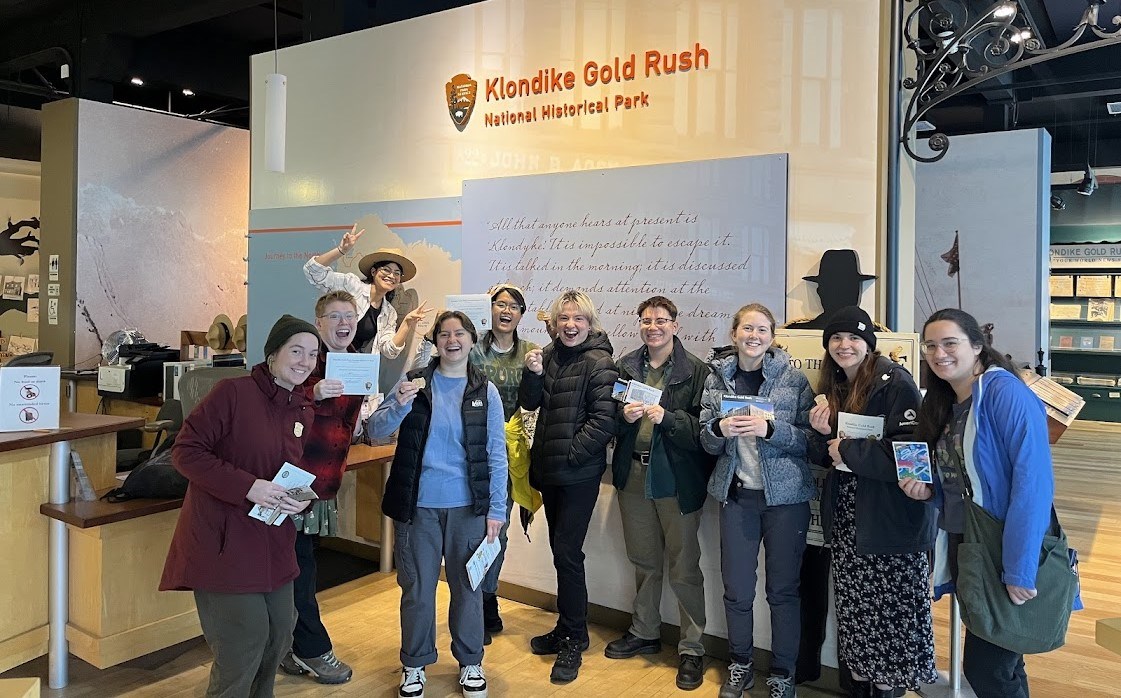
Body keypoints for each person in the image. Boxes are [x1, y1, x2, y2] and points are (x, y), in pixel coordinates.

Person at [160, 315, 319, 698]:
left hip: (273, 541)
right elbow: (185, 452)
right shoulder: (233, 394)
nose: (304, 361)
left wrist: (298, 501)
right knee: (243, 641)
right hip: (223, 540)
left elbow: (284, 471)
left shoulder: (303, 411)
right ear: (272, 353)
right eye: (295, 351)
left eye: (312, 355)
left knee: (280, 634)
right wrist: (249, 487)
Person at [909, 308, 1055, 698]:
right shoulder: (949, 402)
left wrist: (1020, 567)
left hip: (999, 545)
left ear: (977, 346)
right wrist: (931, 491)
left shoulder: (1004, 394)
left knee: (986, 667)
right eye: (931, 345)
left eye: (950, 343)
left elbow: (1033, 484)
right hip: (966, 541)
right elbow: (963, 478)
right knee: (1001, 657)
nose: (939, 353)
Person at [368, 310, 509, 698]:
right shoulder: (414, 384)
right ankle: (414, 664)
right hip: (418, 508)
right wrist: (396, 403)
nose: (452, 340)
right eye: (444, 333)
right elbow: (375, 432)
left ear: (471, 339)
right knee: (417, 589)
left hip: (469, 509)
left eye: (459, 333)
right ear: (435, 341)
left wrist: (497, 510)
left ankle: (470, 661)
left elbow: (497, 453)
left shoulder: (486, 391)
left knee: (469, 588)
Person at [807, 306, 936, 697]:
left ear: (868, 344)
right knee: (858, 615)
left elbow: (912, 455)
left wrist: (847, 449)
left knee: (893, 619)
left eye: (853, 338)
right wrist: (821, 435)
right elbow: (827, 456)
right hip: (850, 520)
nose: (844, 345)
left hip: (891, 523)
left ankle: (888, 689)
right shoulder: (835, 387)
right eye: (836, 339)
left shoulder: (896, 383)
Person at [700, 303, 814, 698]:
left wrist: (771, 429)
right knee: (737, 589)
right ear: (734, 334)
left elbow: (810, 443)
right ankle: (740, 665)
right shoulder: (717, 379)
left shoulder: (794, 379)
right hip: (737, 498)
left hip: (786, 501)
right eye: (747, 329)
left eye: (762, 330)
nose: (754, 336)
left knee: (782, 591)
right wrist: (719, 427)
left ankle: (782, 674)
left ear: (772, 336)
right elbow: (705, 438)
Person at [606, 296, 712, 691]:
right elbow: (610, 416)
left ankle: (692, 649)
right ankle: (645, 632)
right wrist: (623, 416)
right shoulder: (626, 366)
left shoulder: (696, 371)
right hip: (632, 475)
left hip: (676, 480)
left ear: (676, 325)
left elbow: (706, 430)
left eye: (661, 320)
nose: (654, 327)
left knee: (685, 566)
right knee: (643, 561)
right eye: (647, 321)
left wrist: (669, 418)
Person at [519, 289, 618, 685]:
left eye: (578, 319)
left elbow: (603, 422)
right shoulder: (550, 354)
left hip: (577, 475)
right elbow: (529, 403)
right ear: (555, 322)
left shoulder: (600, 362)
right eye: (564, 319)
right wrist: (532, 373)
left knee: (567, 552)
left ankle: (575, 636)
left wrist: (572, 456)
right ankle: (566, 626)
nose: (570, 325)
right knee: (561, 554)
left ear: (590, 323)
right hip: (551, 473)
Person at [274, 291, 367, 684]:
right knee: (299, 569)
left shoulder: (357, 365)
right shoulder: (305, 361)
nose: (343, 322)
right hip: (291, 484)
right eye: (334, 316)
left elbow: (351, 425)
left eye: (350, 315)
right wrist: (312, 394)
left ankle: (286, 648)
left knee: (299, 566)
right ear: (319, 320)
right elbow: (280, 403)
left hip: (322, 487)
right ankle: (312, 649)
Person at [468, 284, 541, 644]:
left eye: (514, 306)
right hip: (470, 453)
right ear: (490, 309)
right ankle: (471, 602)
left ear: (522, 314)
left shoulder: (531, 352)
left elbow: (535, 402)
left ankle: (487, 596)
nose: (506, 311)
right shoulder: (471, 350)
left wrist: (537, 373)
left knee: (500, 530)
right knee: (471, 530)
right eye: (500, 304)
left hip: (511, 458)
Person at [303, 225, 432, 356]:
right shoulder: (352, 285)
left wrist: (407, 323)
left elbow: (389, 351)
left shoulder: (388, 313)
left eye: (397, 273)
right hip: (322, 355)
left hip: (350, 363)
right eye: (386, 270)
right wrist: (341, 250)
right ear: (373, 272)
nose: (392, 276)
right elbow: (313, 271)